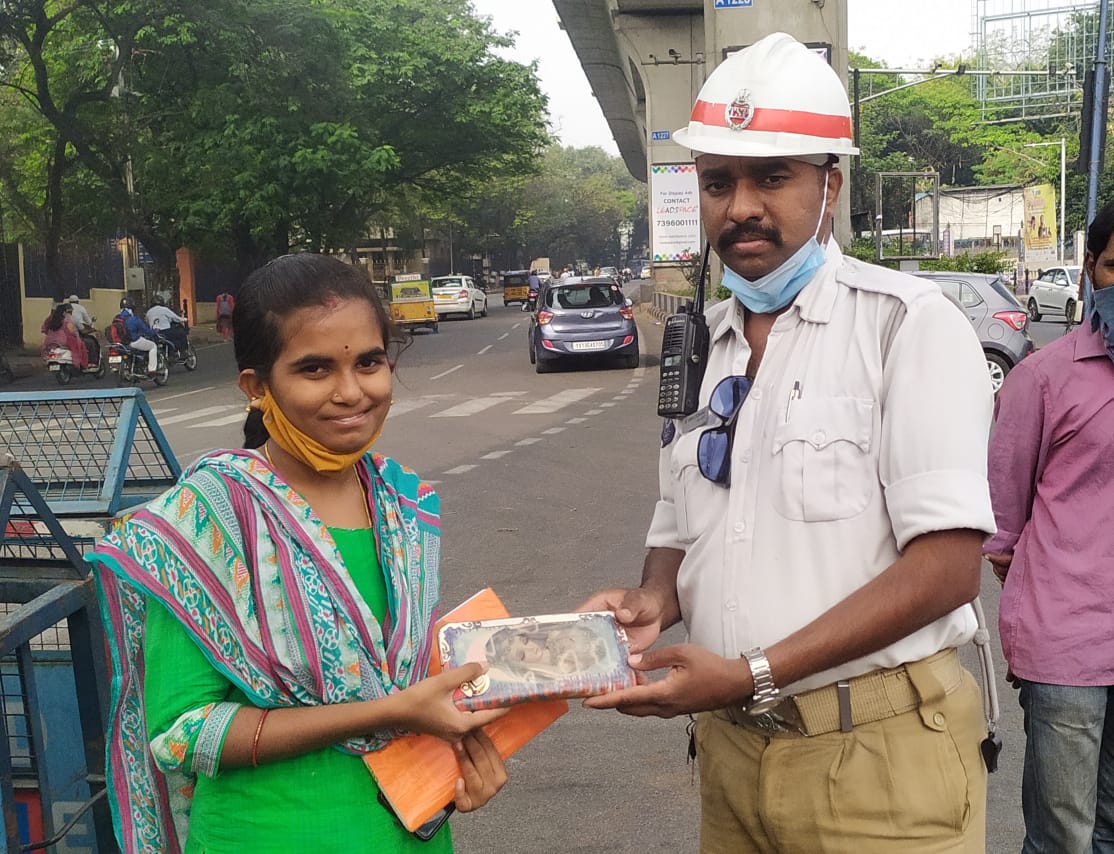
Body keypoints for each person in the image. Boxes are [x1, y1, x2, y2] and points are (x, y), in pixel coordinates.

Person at [581, 32, 996, 853]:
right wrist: (653, 600)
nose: (740, 206)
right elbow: (682, 519)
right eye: (718, 182)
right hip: (730, 755)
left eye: (772, 177)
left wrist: (752, 672)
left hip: (879, 762)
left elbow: (948, 568)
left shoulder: (906, 326)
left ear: (829, 185)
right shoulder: (702, 343)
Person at [87, 254, 508, 854]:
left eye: (369, 363)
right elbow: (183, 734)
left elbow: (407, 677)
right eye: (315, 369)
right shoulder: (207, 521)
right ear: (258, 388)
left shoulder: (403, 503)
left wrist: (464, 749)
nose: (352, 392)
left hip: (415, 830)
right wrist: (390, 711)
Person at [983, 201, 1114, 854]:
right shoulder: (1042, 378)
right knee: (1063, 837)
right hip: (1070, 650)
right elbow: (1002, 523)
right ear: (1090, 269)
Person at [114, 298, 159, 374]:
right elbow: (147, 332)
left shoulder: (116, 318)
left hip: (121, 343)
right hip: (133, 342)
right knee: (153, 346)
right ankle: (152, 370)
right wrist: (154, 331)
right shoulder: (134, 319)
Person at [40, 302, 89, 368]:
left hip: (49, 341)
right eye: (70, 312)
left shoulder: (51, 318)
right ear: (65, 312)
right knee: (81, 346)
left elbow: (44, 329)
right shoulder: (67, 319)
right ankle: (82, 365)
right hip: (63, 341)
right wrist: (77, 336)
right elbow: (73, 332)